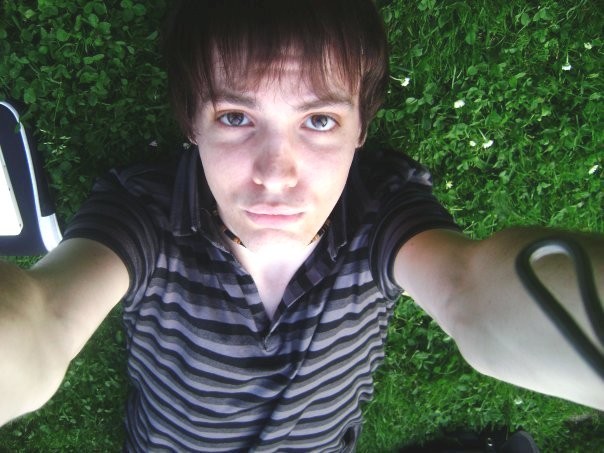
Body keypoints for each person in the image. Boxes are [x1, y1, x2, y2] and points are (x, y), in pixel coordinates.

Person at [0, 0, 602, 451]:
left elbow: (471, 288)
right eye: (236, 116)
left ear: (360, 129)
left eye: (318, 121)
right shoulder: (142, 210)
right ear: (192, 122)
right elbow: (46, 315)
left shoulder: (382, 208)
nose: (276, 175)